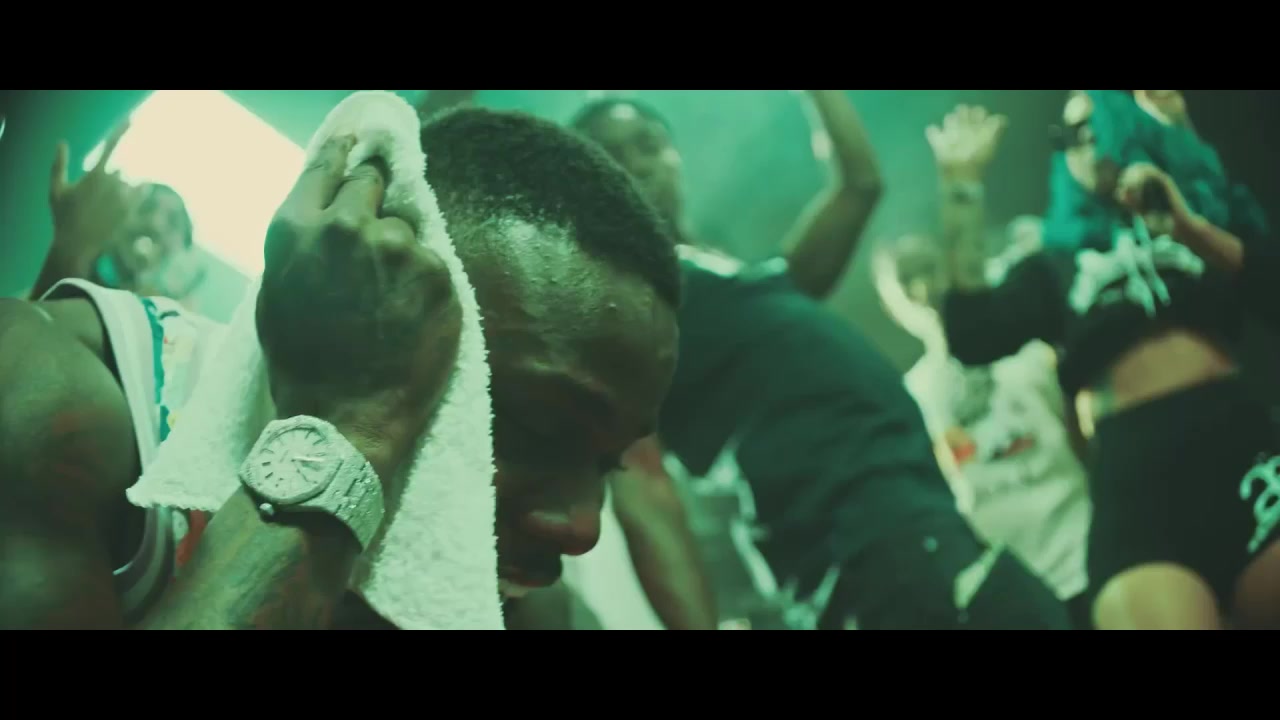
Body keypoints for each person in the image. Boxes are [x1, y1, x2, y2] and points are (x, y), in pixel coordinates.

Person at [0, 106, 680, 630]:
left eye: (608, 465)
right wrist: (342, 428)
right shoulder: (48, 387)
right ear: (366, 319)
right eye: (531, 427)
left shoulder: (518, 606)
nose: (583, 529)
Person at [572, 92, 1070, 629]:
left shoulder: (740, 283)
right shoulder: (624, 306)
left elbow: (860, 184)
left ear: (675, 157)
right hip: (860, 543)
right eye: (611, 154)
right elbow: (644, 487)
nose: (637, 163)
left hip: (908, 518)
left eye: (648, 144)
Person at [937, 90, 1280, 630]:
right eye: (1066, 137)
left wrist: (1188, 215)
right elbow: (972, 334)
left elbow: (1267, 283)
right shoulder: (1055, 263)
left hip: (1235, 442)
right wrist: (962, 191)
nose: (1079, 144)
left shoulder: (1204, 215)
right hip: (1135, 477)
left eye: (1092, 125)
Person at [872, 218, 1093, 628]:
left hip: (1087, 555)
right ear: (890, 304)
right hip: (1015, 598)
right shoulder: (909, 400)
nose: (922, 289)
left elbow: (1085, 435)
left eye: (929, 268)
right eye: (906, 281)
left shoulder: (1028, 350)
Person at [28, 121, 201, 301]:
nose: (154, 224)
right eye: (146, 208)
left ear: (183, 249)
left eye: (173, 222)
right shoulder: (76, 271)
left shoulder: (174, 315)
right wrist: (68, 249)